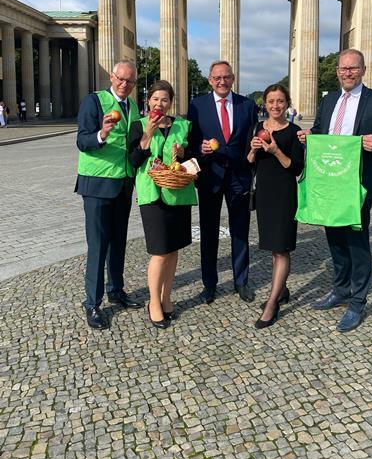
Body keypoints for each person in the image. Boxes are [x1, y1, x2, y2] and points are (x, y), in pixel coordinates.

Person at [298, 48, 372, 332]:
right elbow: (320, 130)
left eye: (353, 68)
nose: (347, 73)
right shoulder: (330, 99)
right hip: (330, 181)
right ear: (337, 72)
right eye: (343, 69)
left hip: (358, 182)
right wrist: (309, 136)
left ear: (363, 70)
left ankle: (358, 301)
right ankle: (341, 288)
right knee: (334, 236)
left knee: (357, 242)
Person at [75, 60, 142, 330]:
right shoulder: (94, 101)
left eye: (130, 81)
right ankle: (92, 303)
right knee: (98, 245)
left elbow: (136, 144)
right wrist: (102, 133)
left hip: (123, 184)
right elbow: (82, 140)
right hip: (98, 185)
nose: (124, 84)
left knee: (118, 242)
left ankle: (116, 290)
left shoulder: (134, 107)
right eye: (120, 79)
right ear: (111, 77)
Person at [187, 60, 258, 304]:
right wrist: (201, 148)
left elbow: (252, 140)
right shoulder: (197, 106)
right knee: (208, 233)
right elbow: (190, 142)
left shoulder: (247, 105)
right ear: (210, 80)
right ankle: (209, 284)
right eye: (217, 77)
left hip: (239, 176)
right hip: (210, 177)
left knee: (240, 232)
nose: (222, 81)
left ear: (233, 78)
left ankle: (241, 281)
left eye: (226, 77)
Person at [129, 81, 197, 329]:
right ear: (149, 101)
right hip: (152, 194)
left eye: (165, 100)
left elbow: (191, 159)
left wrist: (182, 154)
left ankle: (167, 296)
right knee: (159, 252)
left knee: (173, 249)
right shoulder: (139, 125)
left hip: (177, 192)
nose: (160, 104)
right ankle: (153, 302)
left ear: (171, 102)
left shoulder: (182, 125)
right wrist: (147, 133)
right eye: (156, 99)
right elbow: (134, 159)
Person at [247, 84, 304, 329]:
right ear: (266, 103)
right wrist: (253, 149)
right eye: (271, 101)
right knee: (273, 248)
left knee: (282, 250)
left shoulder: (295, 131)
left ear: (287, 103)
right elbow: (249, 162)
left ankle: (272, 304)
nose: (275, 106)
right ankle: (281, 290)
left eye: (280, 101)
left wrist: (275, 150)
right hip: (265, 195)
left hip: (284, 195)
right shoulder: (259, 128)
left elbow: (296, 168)